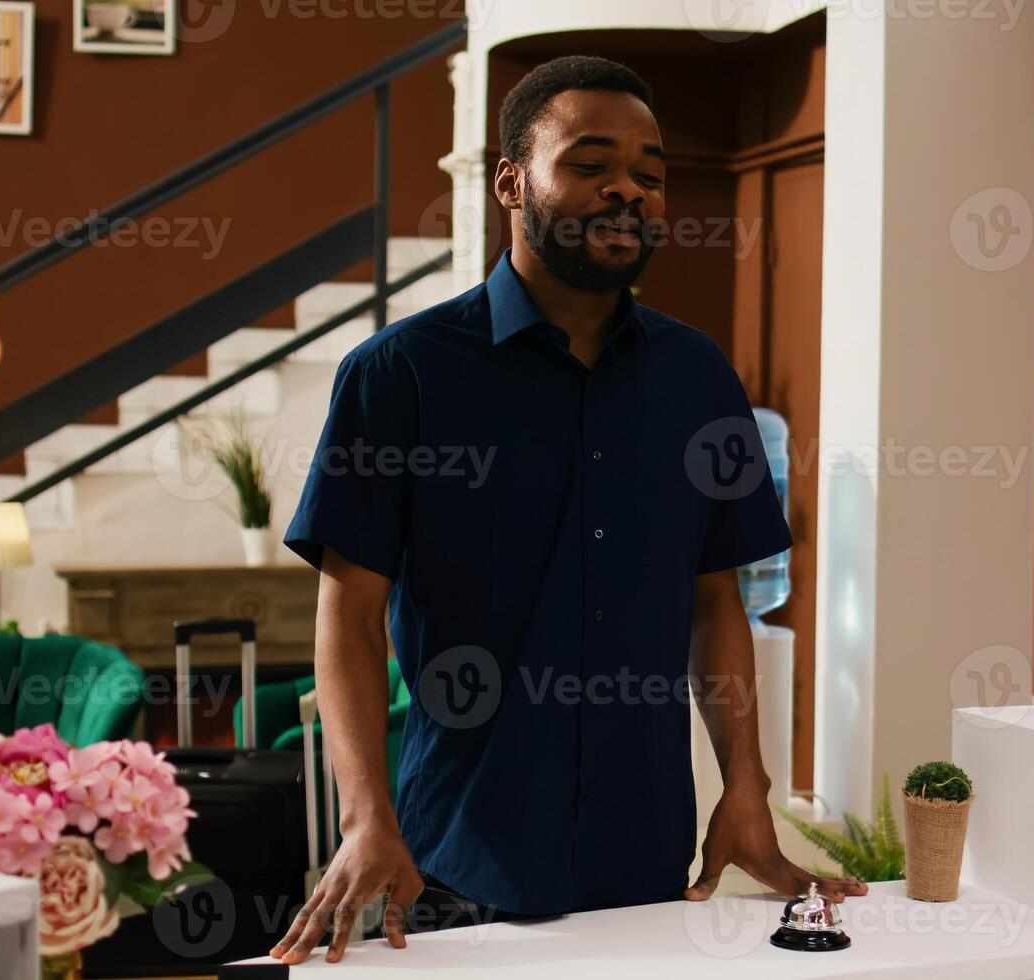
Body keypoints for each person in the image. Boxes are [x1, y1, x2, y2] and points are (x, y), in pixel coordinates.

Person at [267, 55, 865, 967]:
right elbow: (346, 615)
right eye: (590, 163)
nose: (628, 187)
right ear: (512, 180)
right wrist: (364, 814)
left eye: (651, 173)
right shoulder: (399, 376)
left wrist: (746, 782)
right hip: (453, 866)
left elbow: (717, 602)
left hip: (645, 861)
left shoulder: (700, 378)